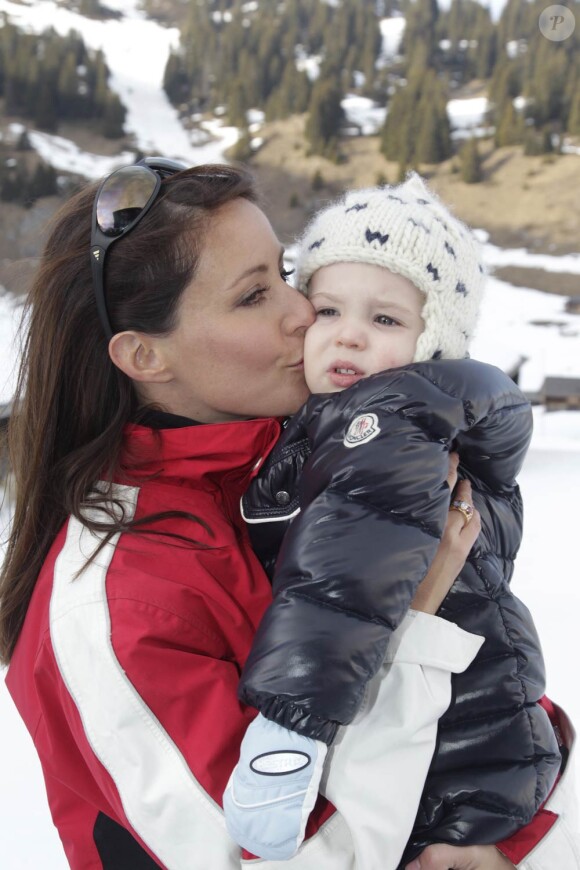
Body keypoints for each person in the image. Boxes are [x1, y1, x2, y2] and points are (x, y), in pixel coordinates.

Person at [0, 158, 574, 870]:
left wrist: (505, 838)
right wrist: (414, 625)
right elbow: (287, 857)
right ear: (146, 355)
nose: (304, 312)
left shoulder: (323, 470)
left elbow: (511, 707)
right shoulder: (113, 606)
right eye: (253, 296)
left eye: (286, 271)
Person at [224, 175, 574, 868]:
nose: (349, 333)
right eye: (327, 310)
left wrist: (291, 727)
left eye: (385, 320)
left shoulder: (388, 423)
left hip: (458, 754)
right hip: (464, 730)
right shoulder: (332, 423)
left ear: (432, 342)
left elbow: (344, 576)